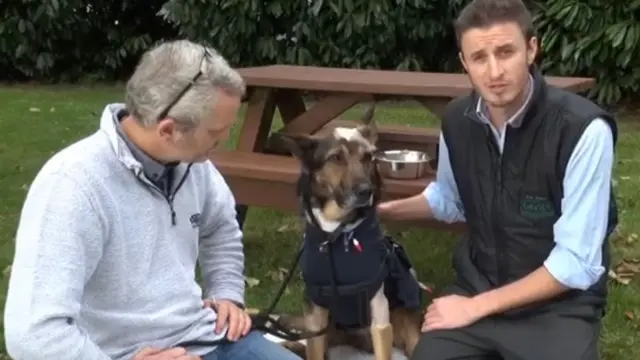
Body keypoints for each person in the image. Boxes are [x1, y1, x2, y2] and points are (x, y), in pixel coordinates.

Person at [3, 39, 302, 360]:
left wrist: (226, 293)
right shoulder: (74, 185)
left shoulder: (192, 165)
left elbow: (221, 227)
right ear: (168, 130)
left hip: (203, 335)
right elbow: (33, 333)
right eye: (217, 132)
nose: (225, 139)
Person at [377, 0, 618, 359]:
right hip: (479, 284)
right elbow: (449, 199)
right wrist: (379, 212)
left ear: (532, 49)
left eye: (506, 52)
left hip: (558, 306)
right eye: (479, 58)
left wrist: (474, 308)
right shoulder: (457, 121)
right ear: (464, 63)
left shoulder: (581, 130)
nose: (494, 72)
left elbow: (577, 262)